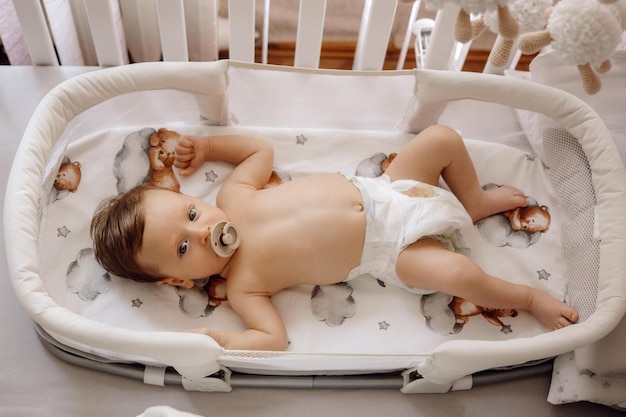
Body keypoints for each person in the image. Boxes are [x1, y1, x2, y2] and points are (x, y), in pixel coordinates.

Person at [91, 125, 579, 351]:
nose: (201, 231)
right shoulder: (243, 285)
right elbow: (273, 338)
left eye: (192, 212)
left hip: (392, 188)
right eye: (182, 249)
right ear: (177, 282)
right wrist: (217, 338)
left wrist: (210, 146)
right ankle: (528, 296)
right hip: (393, 249)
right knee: (459, 276)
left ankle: (470, 200)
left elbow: (259, 149)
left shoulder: (233, 195)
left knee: (442, 138)